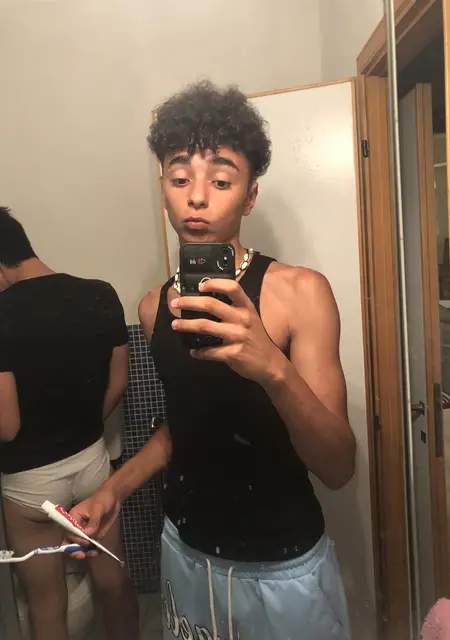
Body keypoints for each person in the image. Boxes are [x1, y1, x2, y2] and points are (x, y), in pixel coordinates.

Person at [69, 81, 356, 640]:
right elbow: (185, 427)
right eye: (180, 179)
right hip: (186, 549)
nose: (197, 197)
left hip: (281, 561)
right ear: (164, 189)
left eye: (221, 181)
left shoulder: (301, 292)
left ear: (249, 196)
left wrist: (271, 366)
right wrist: (111, 492)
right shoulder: (153, 307)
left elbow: (339, 467)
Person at [0, 207, 138, 640]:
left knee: (47, 606)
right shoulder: (100, 293)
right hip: (93, 465)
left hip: (31, 488)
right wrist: (82, 425)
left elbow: (7, 426)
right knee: (113, 581)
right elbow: (119, 382)